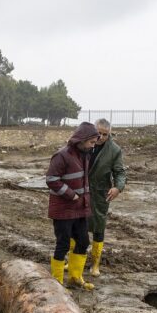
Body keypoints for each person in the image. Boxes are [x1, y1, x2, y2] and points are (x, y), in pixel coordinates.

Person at [46, 122, 99, 291]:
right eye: (91, 142)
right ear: (82, 140)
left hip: (80, 209)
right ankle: (57, 283)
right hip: (63, 209)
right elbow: (52, 179)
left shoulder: (85, 154)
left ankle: (75, 278)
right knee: (62, 244)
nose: (93, 145)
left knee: (83, 241)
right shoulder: (62, 155)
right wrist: (71, 194)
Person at [87, 119, 127, 277]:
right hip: (81, 190)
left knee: (98, 227)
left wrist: (118, 187)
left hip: (100, 192)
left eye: (105, 134)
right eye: (99, 133)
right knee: (76, 225)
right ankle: (76, 260)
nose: (101, 137)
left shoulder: (114, 150)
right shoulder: (84, 143)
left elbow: (120, 172)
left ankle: (95, 264)